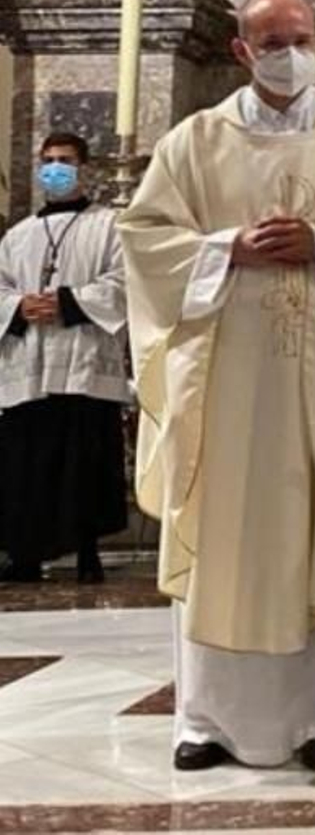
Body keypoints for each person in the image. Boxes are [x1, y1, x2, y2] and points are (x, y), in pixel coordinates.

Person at [120, 0, 315, 772]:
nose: (290, 53)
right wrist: (229, 249)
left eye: (301, 37)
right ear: (241, 51)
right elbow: (146, 239)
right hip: (224, 387)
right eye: (272, 41)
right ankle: (209, 718)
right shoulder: (193, 143)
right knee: (228, 531)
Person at [0, 132, 129, 585]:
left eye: (65, 161)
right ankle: (25, 555)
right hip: (28, 363)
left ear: (85, 168)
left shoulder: (110, 226)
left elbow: (124, 282)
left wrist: (69, 302)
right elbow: (0, 287)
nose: (55, 168)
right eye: (48, 161)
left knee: (83, 459)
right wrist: (18, 307)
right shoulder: (18, 235)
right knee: (26, 462)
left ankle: (87, 552)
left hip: (83, 361)